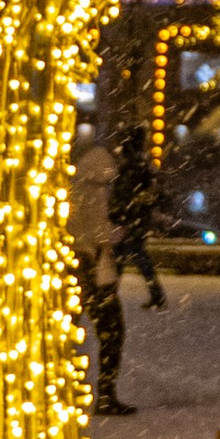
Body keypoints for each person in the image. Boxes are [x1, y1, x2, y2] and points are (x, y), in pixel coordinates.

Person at [68, 123, 135, 416]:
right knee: (111, 329)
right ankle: (106, 393)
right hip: (93, 263)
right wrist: (113, 234)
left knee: (67, 329)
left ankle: (60, 391)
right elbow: (95, 230)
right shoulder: (94, 189)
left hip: (71, 261)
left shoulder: (71, 183)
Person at [111, 132, 168, 310]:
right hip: (135, 221)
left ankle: (110, 295)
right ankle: (156, 295)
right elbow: (152, 193)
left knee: (122, 258)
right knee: (136, 258)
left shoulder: (130, 169)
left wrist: (122, 215)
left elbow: (123, 195)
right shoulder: (141, 168)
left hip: (129, 221)